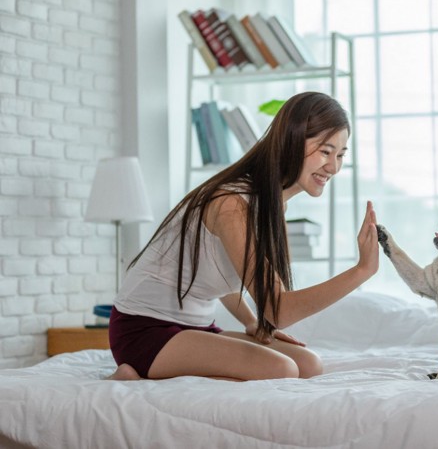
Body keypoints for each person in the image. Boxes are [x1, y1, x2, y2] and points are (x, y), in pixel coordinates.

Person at [107, 91, 379, 381]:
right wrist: (362, 271)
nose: (334, 167)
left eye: (340, 155)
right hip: (144, 329)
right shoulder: (232, 203)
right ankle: (135, 376)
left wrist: (252, 323)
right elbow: (279, 310)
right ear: (291, 142)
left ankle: (154, 374)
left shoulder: (272, 205)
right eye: (325, 151)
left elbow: (216, 270)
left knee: (309, 365)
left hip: (195, 329)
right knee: (281, 369)